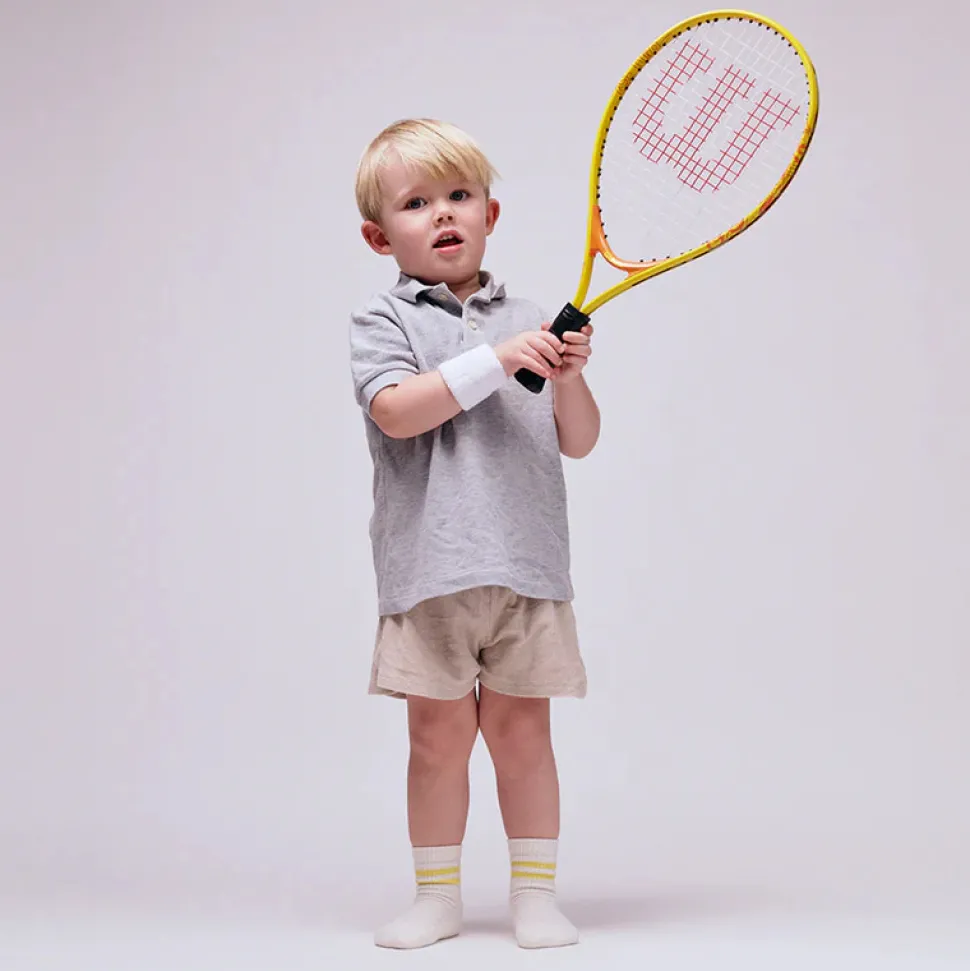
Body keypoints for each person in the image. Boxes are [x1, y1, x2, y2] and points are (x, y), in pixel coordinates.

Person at [349, 118, 600, 950]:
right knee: (436, 741)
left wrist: (568, 377)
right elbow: (396, 410)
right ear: (379, 236)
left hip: (527, 568)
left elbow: (578, 439)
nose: (443, 214)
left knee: (525, 738)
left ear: (491, 214)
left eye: (459, 195)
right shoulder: (382, 320)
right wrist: (497, 359)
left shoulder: (529, 318)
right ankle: (437, 898)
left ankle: (535, 895)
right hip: (429, 572)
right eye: (417, 202)